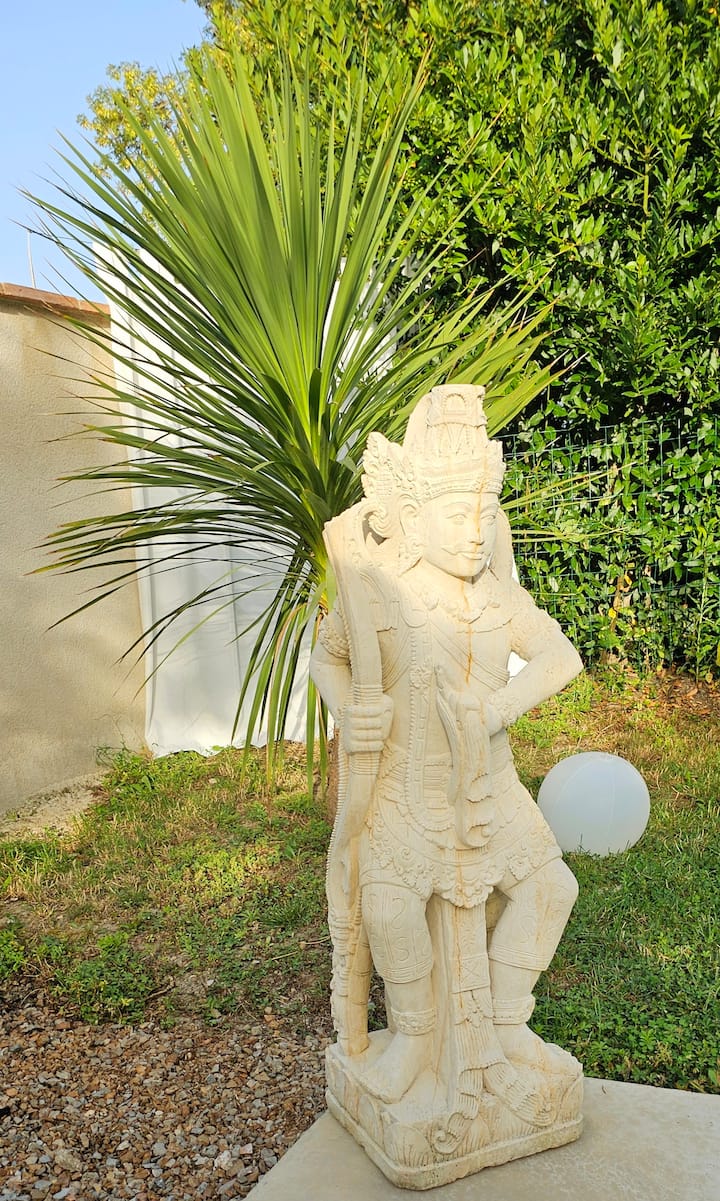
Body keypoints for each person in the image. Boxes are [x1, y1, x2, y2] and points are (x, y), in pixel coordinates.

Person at [310, 384, 583, 1150]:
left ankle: (506, 1019)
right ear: (413, 515)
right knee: (389, 905)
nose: (474, 533)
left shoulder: (497, 596)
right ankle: (414, 1036)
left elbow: (560, 656)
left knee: (551, 887)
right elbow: (325, 656)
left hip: (491, 788)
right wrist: (348, 708)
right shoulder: (379, 592)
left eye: (485, 517)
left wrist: (496, 709)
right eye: (457, 516)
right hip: (407, 790)